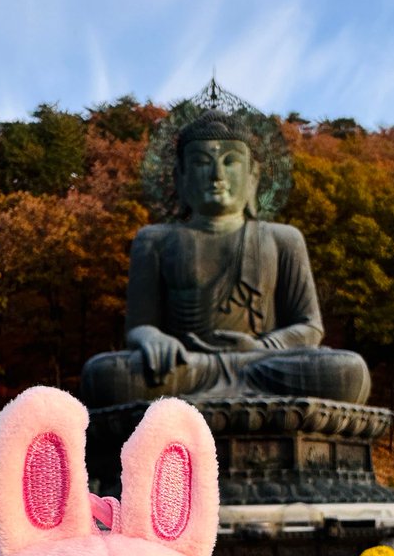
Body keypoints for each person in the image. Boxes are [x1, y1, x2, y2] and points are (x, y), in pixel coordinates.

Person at [80, 109, 371, 407]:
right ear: (180, 178)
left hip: (262, 362)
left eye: (231, 162)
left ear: (253, 176)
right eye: (201, 163)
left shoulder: (283, 238)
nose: (217, 175)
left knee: (347, 371)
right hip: (188, 367)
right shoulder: (154, 239)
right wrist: (153, 339)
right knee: (105, 375)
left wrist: (261, 347)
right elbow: (139, 326)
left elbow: (310, 326)